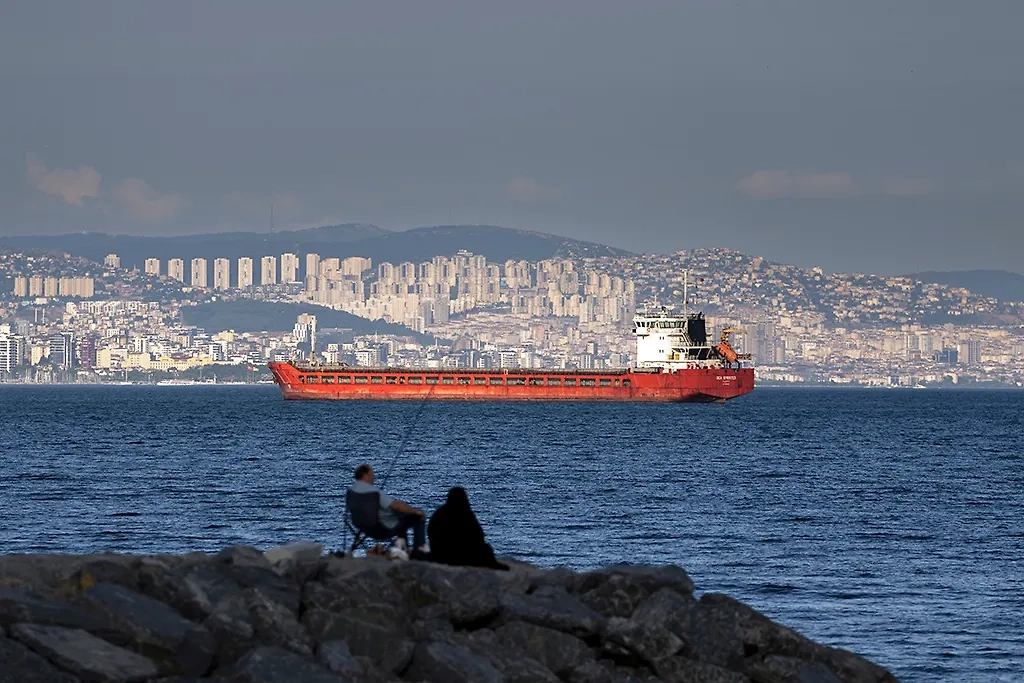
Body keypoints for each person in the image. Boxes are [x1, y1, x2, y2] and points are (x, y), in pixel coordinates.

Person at [348, 464, 427, 554]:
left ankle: (403, 549)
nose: (374, 477)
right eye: (372, 474)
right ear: (365, 475)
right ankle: (419, 551)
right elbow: (395, 505)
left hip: (362, 526)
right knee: (417, 517)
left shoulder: (351, 491)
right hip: (381, 528)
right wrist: (414, 511)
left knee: (400, 517)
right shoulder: (373, 492)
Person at [428, 487, 508, 570]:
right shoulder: (465, 513)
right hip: (461, 554)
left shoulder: (439, 514)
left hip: (443, 554)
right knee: (486, 550)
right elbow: (478, 535)